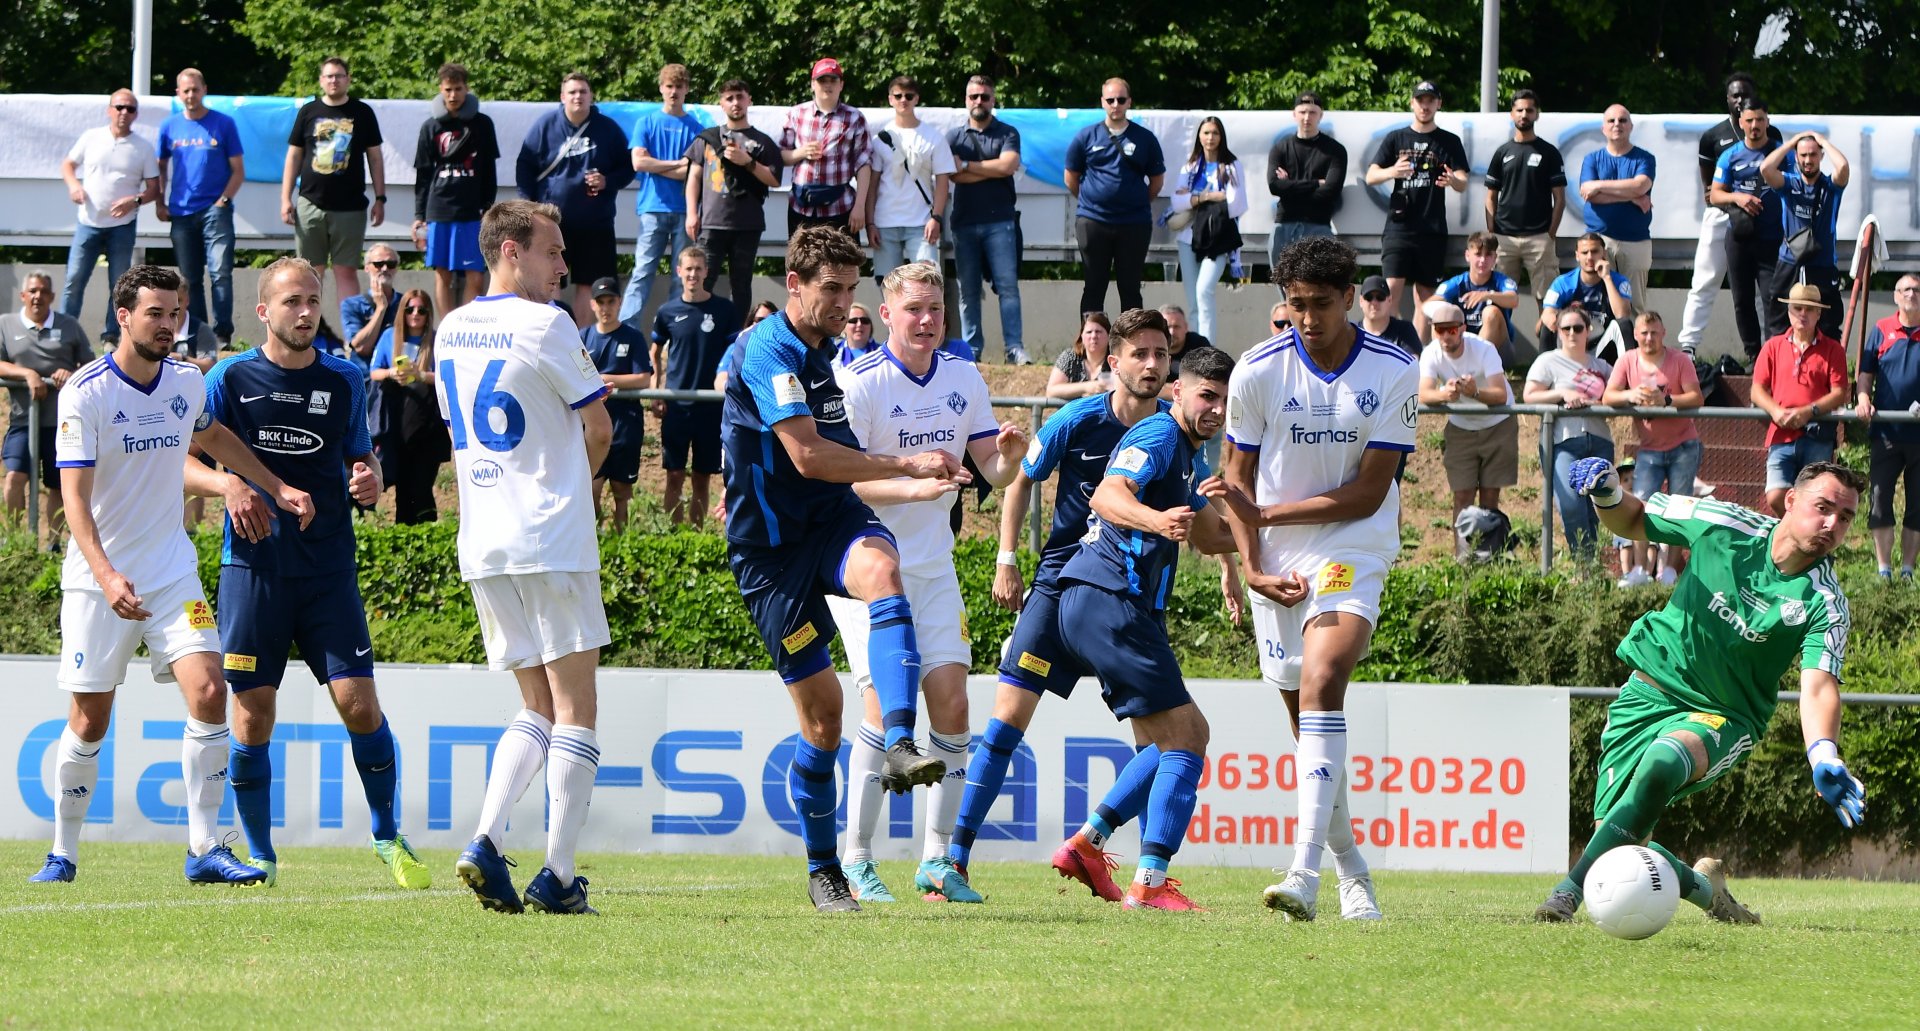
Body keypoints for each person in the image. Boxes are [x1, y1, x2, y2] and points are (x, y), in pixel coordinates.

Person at [29, 264, 312, 886]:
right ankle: (63, 851)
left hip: (172, 574)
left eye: (175, 313)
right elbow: (73, 499)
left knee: (212, 691)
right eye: (155, 313)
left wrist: (276, 485)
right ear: (123, 317)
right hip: (97, 579)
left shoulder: (187, 380)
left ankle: (205, 847)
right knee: (89, 718)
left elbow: (214, 438)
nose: (167, 325)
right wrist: (105, 576)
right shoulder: (86, 391)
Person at [720, 225, 966, 912]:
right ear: (792, 285)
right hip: (770, 557)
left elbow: (841, 456)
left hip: (829, 524)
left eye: (850, 288)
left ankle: (895, 740)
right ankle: (825, 867)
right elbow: (809, 457)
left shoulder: (825, 355)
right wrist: (906, 465)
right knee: (824, 719)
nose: (842, 301)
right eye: (831, 288)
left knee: (885, 573)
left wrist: (914, 484)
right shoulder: (768, 350)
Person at [1535, 458, 1866, 926]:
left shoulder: (1825, 600)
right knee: (1621, 849)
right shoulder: (1721, 524)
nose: (1832, 524)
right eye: (1823, 507)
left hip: (1723, 717)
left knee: (1663, 763)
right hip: (1646, 694)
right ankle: (1706, 889)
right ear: (1790, 501)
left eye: (1846, 517)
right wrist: (1607, 491)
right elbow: (1634, 519)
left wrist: (1823, 752)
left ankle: (1568, 893)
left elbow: (1818, 684)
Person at [200, 257, 425, 889]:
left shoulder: (347, 378)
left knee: (358, 705)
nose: (305, 312)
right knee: (252, 717)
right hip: (253, 571)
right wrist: (229, 486)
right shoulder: (227, 377)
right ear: (263, 311)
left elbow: (364, 461)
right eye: (293, 301)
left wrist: (371, 480)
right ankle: (261, 856)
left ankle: (387, 836)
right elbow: (190, 456)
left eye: (313, 301)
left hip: (328, 568)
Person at [1217, 235, 1418, 922]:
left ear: (1351, 298)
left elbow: (1368, 492)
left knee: (1324, 679)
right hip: (1276, 557)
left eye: (1321, 304)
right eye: (1295, 304)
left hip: (1353, 542)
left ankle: (1300, 873)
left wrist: (1263, 513)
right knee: (1309, 727)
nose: (1308, 317)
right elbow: (1234, 480)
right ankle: (1352, 870)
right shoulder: (1256, 371)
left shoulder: (1394, 368)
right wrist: (1252, 564)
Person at [953, 312, 1174, 899]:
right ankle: (954, 860)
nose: (1151, 365)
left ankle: (1143, 874)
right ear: (1113, 361)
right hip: (1059, 586)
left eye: (1160, 354)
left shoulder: (1172, 433)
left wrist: (1229, 572)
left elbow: (1194, 508)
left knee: (1159, 740)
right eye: (1140, 354)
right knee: (1006, 721)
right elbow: (1023, 479)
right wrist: (1007, 557)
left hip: (1129, 596)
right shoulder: (1078, 418)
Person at [829, 261, 1028, 905]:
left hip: (935, 567)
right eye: (913, 309)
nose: (926, 320)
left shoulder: (963, 376)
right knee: (881, 709)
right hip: (867, 568)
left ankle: (937, 860)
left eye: (936, 309)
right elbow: (845, 479)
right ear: (886, 314)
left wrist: (1011, 455)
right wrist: (916, 483)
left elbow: (991, 472)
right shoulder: (859, 381)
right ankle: (855, 859)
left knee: (953, 706)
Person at [446, 200, 615, 916]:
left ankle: (485, 836)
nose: (564, 264)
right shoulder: (547, 323)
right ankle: (558, 872)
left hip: (484, 537)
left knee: (533, 704)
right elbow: (599, 426)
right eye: (552, 251)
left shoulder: (452, 325)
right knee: (575, 705)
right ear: (511, 251)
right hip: (549, 530)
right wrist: (580, 487)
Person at [1039, 337, 1240, 912]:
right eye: (1207, 396)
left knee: (1161, 743)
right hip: (1108, 598)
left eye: (1225, 401)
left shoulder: (1187, 458)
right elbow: (1107, 495)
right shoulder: (1157, 436)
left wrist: (1267, 537)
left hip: (1101, 605)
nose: (1217, 410)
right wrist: (1156, 520)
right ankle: (1149, 883)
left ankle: (1088, 844)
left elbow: (1211, 534)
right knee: (1191, 738)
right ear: (1178, 391)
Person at [515, 73, 637, 325]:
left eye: (583, 91)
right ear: (562, 97)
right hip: (552, 223)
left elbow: (628, 167)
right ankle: (552, 334)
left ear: (591, 96)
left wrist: (608, 181)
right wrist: (528, 205)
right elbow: (525, 165)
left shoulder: (608, 129)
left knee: (589, 284)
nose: (578, 97)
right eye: (572, 92)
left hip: (596, 223)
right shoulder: (545, 126)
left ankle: (580, 343)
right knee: (550, 279)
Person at [1679, 73, 1782, 356]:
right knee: (1705, 279)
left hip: (1761, 218)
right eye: (1734, 95)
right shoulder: (1713, 135)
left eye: (1744, 95)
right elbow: (1709, 186)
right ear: (1727, 99)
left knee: (1766, 291)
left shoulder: (1772, 136)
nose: (1739, 101)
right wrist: (1731, 200)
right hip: (1723, 214)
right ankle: (1688, 344)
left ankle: (1768, 351)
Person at [1604, 312, 1703, 585]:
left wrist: (1667, 400)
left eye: (1654, 333)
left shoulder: (1680, 360)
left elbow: (1697, 396)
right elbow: (1608, 395)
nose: (1649, 338)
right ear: (1636, 335)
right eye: (1644, 333)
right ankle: (1640, 571)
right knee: (1641, 507)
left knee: (1679, 509)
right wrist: (1629, 395)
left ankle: (1669, 570)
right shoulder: (1627, 360)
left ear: (1664, 333)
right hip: (1648, 448)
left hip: (1684, 444)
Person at [281, 58, 386, 316]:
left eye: (339, 76)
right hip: (310, 202)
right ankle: (309, 333)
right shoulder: (308, 112)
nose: (334, 80)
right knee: (309, 273)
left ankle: (352, 333)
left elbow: (375, 157)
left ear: (348, 79)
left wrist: (380, 198)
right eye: (328, 76)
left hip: (350, 205)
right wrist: (286, 198)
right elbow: (294, 156)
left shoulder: (362, 112)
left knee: (346, 270)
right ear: (321, 80)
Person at [1364, 80, 1467, 342]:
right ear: (1412, 103)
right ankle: (1388, 349)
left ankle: (1416, 354)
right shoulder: (1396, 138)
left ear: (1438, 104)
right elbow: (1371, 175)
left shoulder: (1449, 141)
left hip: (1432, 229)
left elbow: (1463, 181)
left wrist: (1452, 181)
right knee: (1389, 294)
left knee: (1426, 299)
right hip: (1399, 227)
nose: (1425, 105)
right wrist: (1393, 171)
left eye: (1430, 100)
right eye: (1420, 100)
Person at [60, 90, 158, 345]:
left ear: (136, 114)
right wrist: (73, 186)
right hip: (88, 222)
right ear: (109, 109)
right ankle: (63, 336)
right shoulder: (91, 137)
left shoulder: (143, 147)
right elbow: (68, 165)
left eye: (130, 109)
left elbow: (154, 189)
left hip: (122, 226)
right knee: (74, 279)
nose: (124, 113)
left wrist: (134, 201)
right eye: (119, 107)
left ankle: (111, 336)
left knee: (119, 285)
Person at [1064, 78, 1165, 317]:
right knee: (1094, 285)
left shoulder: (1145, 138)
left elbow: (1157, 181)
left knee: (1130, 287)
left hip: (1134, 223)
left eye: (1121, 99)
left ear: (1129, 102)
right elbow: (1071, 178)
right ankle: (1089, 347)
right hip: (1093, 221)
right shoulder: (1086, 136)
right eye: (1110, 100)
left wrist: (1134, 202)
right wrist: (1094, 201)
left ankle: (1132, 348)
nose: (1116, 104)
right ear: (1102, 102)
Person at [157, 68, 244, 344]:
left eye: (195, 89)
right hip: (181, 212)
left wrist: (224, 200)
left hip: (215, 209)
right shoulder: (169, 126)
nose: (191, 95)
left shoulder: (224, 123)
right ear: (178, 94)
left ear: (204, 90)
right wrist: (160, 201)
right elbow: (159, 167)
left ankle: (222, 334)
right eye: (185, 90)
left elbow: (238, 170)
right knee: (189, 279)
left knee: (220, 273)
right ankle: (200, 333)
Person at [1, 273, 90, 539]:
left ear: (52, 297)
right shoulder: (6, 324)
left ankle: (52, 543)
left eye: (43, 291)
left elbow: (89, 364)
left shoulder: (70, 325)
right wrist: (28, 374)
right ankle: (15, 542)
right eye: (33, 291)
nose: (38, 296)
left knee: (58, 485)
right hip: (22, 420)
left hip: (62, 422)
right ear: (23, 295)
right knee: (14, 478)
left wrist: (69, 374)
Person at [652, 246, 736, 526]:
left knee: (702, 478)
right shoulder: (667, 311)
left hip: (711, 407)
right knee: (674, 475)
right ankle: (673, 536)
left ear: (706, 272)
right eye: (688, 268)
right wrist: (657, 390)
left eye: (698, 268)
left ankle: (695, 535)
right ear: (678, 272)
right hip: (677, 405)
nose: (693, 274)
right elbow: (655, 353)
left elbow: (735, 355)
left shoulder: (724, 310)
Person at [1523, 305, 1615, 561]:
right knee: (1571, 505)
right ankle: (1584, 565)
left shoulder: (1602, 365)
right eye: (1567, 328)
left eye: (1578, 328)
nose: (1572, 333)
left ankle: (1595, 568)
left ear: (1588, 331)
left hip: (1599, 441)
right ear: (1558, 332)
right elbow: (1529, 396)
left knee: (1598, 509)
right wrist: (1563, 394)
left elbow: (1617, 397)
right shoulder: (1548, 361)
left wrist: (1595, 403)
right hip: (1563, 442)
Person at [947, 74, 1027, 365]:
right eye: (973, 96)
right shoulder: (953, 137)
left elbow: (1008, 166)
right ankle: (972, 351)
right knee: (968, 292)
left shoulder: (1007, 132)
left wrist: (968, 166)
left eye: (984, 96)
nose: (979, 101)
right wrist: (989, 168)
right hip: (964, 222)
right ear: (966, 100)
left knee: (1008, 288)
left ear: (993, 99)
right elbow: (951, 174)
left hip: (1001, 221)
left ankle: (1015, 349)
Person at [1417, 299, 1516, 532]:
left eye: (1451, 330)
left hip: (1498, 424)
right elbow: (1423, 393)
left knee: (1490, 498)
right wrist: (1445, 394)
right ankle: (1462, 561)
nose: (1445, 336)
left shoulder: (1484, 348)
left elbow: (1500, 395)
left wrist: (1475, 393)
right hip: (1461, 427)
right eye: (1439, 330)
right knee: (1462, 496)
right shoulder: (1431, 353)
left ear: (1462, 328)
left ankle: (1488, 559)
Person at [1751, 283, 1848, 517]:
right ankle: (1799, 537)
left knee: (1815, 497)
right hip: (1780, 432)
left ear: (1818, 314)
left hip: (1817, 433)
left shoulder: (1833, 349)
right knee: (1776, 495)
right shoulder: (1772, 346)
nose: (1802, 314)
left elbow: (1839, 392)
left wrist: (1809, 411)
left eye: (1809, 309)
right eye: (1797, 308)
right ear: (1789, 312)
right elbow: (1756, 390)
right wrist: (1775, 411)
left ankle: (1804, 543)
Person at [410, 63, 499, 319]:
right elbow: (423, 174)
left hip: (472, 210)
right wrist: (419, 214)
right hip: (439, 210)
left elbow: (489, 170)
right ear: (440, 89)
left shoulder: (482, 124)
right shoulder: (431, 127)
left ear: (466, 89)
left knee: (475, 272)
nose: (453, 95)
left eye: (458, 89)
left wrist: (488, 206)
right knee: (442, 272)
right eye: (448, 89)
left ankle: (468, 323)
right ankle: (448, 325)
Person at [686, 79, 782, 315]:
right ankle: (701, 332)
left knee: (741, 284)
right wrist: (690, 213)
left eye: (740, 97)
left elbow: (774, 179)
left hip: (747, 223)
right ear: (721, 103)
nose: (735, 103)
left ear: (749, 100)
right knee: (702, 281)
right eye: (729, 98)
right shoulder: (707, 138)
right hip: (710, 222)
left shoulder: (762, 141)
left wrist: (748, 162)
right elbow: (693, 178)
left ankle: (736, 337)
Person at [622, 63, 705, 328]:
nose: (674, 92)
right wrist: (676, 164)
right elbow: (638, 164)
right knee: (642, 272)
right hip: (652, 208)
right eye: (669, 86)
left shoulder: (696, 127)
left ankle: (674, 331)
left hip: (685, 209)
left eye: (679, 87)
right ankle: (626, 331)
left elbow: (692, 172)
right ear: (661, 88)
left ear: (686, 90)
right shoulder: (646, 122)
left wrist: (657, 164)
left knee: (681, 276)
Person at [1707, 99, 1785, 362]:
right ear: (1741, 123)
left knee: (1773, 298)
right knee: (1742, 300)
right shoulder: (1729, 155)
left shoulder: (1779, 154)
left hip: (1773, 238)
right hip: (1739, 238)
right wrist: (1738, 198)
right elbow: (1715, 196)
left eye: (1760, 120)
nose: (1754, 126)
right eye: (1749, 121)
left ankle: (1774, 357)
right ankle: (1753, 356)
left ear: (1767, 122)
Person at [1856, 274, 1920, 580]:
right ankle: (1884, 569)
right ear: (1895, 296)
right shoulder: (1881, 330)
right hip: (1886, 434)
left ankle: (1907, 569)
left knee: (1917, 505)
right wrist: (1863, 398)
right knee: (1879, 501)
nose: (1912, 294)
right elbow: (1866, 373)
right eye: (1906, 289)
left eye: (1917, 290)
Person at [369, 289, 448, 524]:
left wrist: (420, 374)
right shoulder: (389, 336)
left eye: (421, 310)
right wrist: (392, 373)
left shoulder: (437, 339)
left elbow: (447, 376)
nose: (415, 314)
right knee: (403, 489)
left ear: (428, 314)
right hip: (397, 423)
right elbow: (374, 372)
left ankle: (428, 538)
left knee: (422, 486)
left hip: (428, 424)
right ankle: (405, 539)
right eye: (410, 309)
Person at [1761, 131, 1849, 339]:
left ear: (1820, 156)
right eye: (1803, 155)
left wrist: (1823, 142)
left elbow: (1843, 167)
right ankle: (1780, 365)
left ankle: (1825, 366)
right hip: (1789, 261)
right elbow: (1766, 168)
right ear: (1796, 157)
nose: (1808, 160)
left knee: (1828, 322)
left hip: (1823, 263)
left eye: (1813, 155)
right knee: (1779, 320)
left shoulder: (1831, 186)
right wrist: (1791, 142)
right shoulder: (1789, 184)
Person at [866, 76, 954, 281]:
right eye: (898, 95)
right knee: (886, 285)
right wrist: (870, 223)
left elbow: (943, 180)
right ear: (890, 99)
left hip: (922, 223)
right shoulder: (881, 139)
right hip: (885, 221)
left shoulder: (933, 136)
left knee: (928, 282)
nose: (903, 100)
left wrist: (937, 217)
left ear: (916, 99)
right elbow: (873, 183)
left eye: (908, 95)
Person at [1483, 89, 1566, 307]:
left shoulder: (1549, 152)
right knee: (1499, 302)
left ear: (1536, 114)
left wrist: (1550, 234)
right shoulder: (1502, 152)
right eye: (1519, 110)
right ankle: (1498, 343)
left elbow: (1560, 198)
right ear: (1511, 113)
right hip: (1504, 239)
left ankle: (1548, 343)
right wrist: (1492, 233)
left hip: (1540, 238)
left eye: (1529, 110)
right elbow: (1490, 196)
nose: (1524, 114)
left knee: (1549, 302)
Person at [584, 277, 653, 530]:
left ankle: (623, 544)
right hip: (591, 426)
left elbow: (644, 378)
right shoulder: (583, 337)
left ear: (619, 302)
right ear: (592, 305)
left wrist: (605, 379)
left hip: (626, 424)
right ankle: (596, 543)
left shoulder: (633, 337)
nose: (605, 307)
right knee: (590, 490)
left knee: (622, 492)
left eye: (610, 301)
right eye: (600, 302)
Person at [1169, 118, 1247, 341]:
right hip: (1189, 237)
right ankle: (1196, 351)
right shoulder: (1190, 166)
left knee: (1205, 291)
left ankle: (1208, 351)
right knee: (1193, 301)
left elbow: (1236, 202)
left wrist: (1195, 199)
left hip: (1218, 238)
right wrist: (1207, 196)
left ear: (1221, 136)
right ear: (1199, 136)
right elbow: (1177, 202)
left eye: (1214, 133)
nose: (1210, 138)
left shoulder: (1231, 165)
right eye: (1205, 133)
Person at [780, 58, 872, 237]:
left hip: (841, 207)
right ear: (812, 84)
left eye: (833, 80)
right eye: (822, 80)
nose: (827, 86)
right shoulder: (796, 114)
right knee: (800, 264)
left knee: (843, 264)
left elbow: (864, 163)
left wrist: (860, 207)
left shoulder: (854, 117)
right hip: (801, 208)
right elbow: (781, 156)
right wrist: (800, 152)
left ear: (841, 85)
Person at [1578, 105, 1655, 315]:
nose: (1617, 125)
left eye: (1622, 120)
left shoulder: (1644, 159)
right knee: (1599, 301)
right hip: (1600, 240)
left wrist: (1599, 185)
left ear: (1630, 126)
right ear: (1603, 128)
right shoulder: (1592, 159)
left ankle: (1636, 347)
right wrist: (1632, 198)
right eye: (1611, 121)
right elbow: (1587, 192)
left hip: (1636, 241)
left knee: (1636, 304)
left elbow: (1641, 185)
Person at [1266, 91, 1346, 267]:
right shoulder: (1280, 148)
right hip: (1284, 226)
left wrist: (1289, 188)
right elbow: (1274, 186)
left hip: (1319, 226)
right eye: (1302, 112)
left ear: (1321, 115)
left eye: (1312, 112)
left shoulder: (1335, 151)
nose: (1307, 117)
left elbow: (1330, 191)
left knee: (1319, 290)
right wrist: (1316, 183)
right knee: (1285, 290)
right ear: (1294, 114)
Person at [1540, 233, 1633, 357]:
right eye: (1584, 253)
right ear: (1577, 255)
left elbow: (1622, 314)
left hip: (1603, 348)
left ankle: (1628, 373)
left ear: (1604, 254)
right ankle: (1545, 373)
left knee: (1624, 325)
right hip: (1571, 345)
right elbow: (1547, 314)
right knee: (1546, 327)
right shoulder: (1562, 283)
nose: (1589, 257)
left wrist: (1607, 278)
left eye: (1594, 252)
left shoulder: (1619, 281)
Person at [1435, 232, 1518, 362]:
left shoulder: (1501, 281)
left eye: (1488, 255)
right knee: (1438, 312)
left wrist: (1486, 295)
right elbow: (1430, 304)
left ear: (1495, 257)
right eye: (1478, 254)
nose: (1483, 260)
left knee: (1491, 312)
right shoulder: (1457, 283)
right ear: (1467, 255)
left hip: (1499, 351)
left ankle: (1474, 366)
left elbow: (1513, 300)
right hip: (1461, 345)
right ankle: (1438, 363)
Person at [340, 245, 400, 371]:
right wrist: (380, 309)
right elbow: (361, 348)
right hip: (364, 378)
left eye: (391, 264)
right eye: (379, 264)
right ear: (367, 267)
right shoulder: (351, 305)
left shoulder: (408, 304)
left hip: (398, 378)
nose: (385, 268)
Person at [1046, 312, 1114, 398]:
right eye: (1089, 332)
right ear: (1081, 336)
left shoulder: (1116, 360)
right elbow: (1051, 391)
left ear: (1109, 335)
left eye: (1098, 332)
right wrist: (1086, 387)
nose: (1093, 336)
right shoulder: (1070, 357)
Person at [1356, 274, 1421, 356]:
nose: (1374, 302)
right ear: (1361, 301)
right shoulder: (1352, 332)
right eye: (1369, 297)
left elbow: (1413, 362)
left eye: (1380, 297)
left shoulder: (1404, 330)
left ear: (1389, 300)